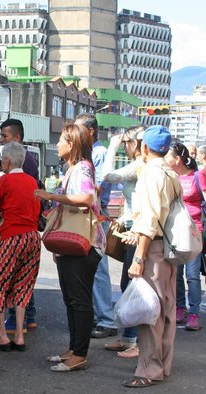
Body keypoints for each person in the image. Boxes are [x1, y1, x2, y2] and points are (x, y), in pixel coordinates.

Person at [35, 123, 104, 372]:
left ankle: (80, 354)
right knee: (71, 299)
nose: (57, 145)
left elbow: (86, 199)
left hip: (84, 244)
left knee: (79, 300)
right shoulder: (72, 168)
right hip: (70, 245)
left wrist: (51, 196)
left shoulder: (83, 168)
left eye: (61, 140)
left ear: (72, 144)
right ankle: (73, 349)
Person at [121, 125, 180, 388]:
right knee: (166, 310)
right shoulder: (171, 172)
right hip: (170, 247)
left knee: (150, 312)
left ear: (145, 147)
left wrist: (138, 258)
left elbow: (148, 218)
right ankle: (162, 366)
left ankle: (149, 370)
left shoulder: (150, 173)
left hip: (153, 247)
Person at [0, 142, 40, 352]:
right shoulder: (32, 181)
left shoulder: (4, 180)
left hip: (12, 237)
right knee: (23, 285)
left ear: (6, 160)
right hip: (33, 238)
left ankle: (3, 336)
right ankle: (19, 337)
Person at [100, 125, 145, 358]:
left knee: (135, 286)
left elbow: (107, 176)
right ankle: (129, 338)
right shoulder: (139, 164)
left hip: (138, 231)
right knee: (128, 285)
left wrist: (111, 148)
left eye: (126, 143)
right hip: (130, 227)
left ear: (135, 143)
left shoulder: (140, 164)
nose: (124, 146)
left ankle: (136, 342)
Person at [75, 113, 117, 339]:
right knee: (89, 266)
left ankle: (106, 319)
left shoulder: (99, 153)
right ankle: (97, 317)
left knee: (98, 267)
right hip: (91, 214)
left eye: (80, 130)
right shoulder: (89, 154)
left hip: (97, 215)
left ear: (90, 131)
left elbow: (97, 188)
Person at [0, 118, 38, 332]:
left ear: (17, 138)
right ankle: (28, 317)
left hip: (18, 232)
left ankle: (15, 321)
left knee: (12, 278)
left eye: (4, 135)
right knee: (25, 276)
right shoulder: (26, 161)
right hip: (28, 232)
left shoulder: (21, 165)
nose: (1, 139)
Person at [164, 142, 203, 331]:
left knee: (192, 274)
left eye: (168, 156)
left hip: (195, 231)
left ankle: (194, 312)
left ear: (177, 159)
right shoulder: (171, 177)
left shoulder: (197, 176)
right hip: (176, 231)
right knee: (176, 273)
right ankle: (180, 308)